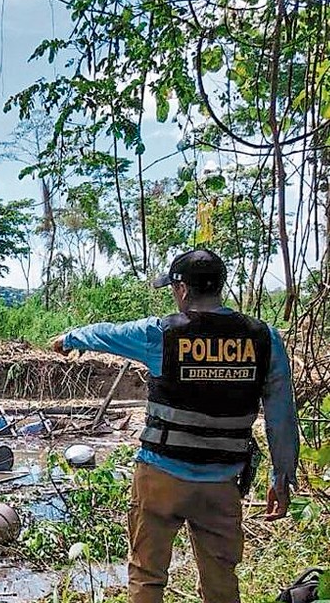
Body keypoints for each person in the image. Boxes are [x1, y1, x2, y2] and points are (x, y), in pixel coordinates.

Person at [50, 249, 299, 603]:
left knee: (147, 577)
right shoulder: (264, 339)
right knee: (221, 583)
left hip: (160, 479)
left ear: (182, 289)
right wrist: (282, 477)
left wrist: (70, 338)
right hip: (221, 484)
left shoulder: (161, 334)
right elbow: (282, 416)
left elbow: (107, 333)